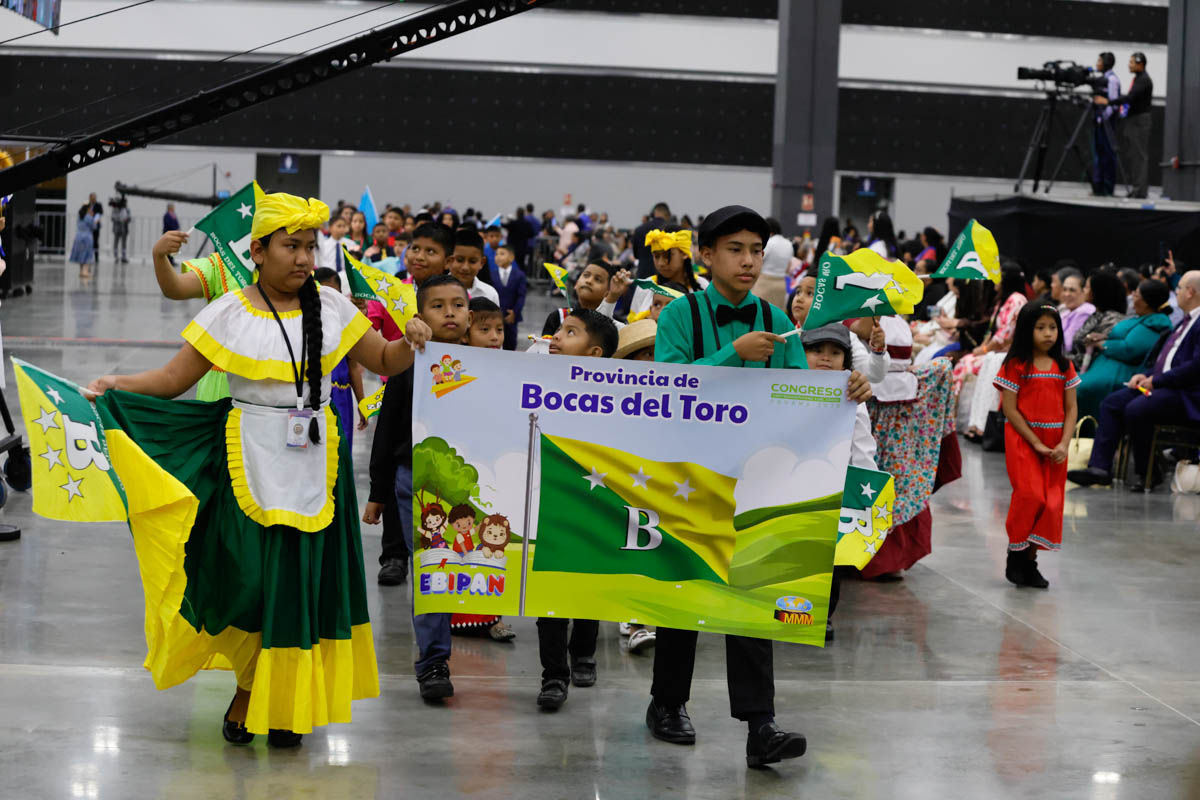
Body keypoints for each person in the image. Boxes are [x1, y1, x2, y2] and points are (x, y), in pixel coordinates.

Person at [85, 190, 430, 747]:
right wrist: (116, 385)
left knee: (300, 585)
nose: (302, 258)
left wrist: (409, 341)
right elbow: (174, 381)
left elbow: (384, 360)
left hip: (317, 468)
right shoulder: (227, 311)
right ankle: (250, 683)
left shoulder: (334, 307)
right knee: (246, 582)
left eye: (308, 246)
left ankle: (278, 702)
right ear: (258, 251)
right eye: (290, 246)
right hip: (244, 459)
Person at [649, 204, 872, 768]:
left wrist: (845, 391)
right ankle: (667, 703)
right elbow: (666, 391)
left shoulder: (776, 319)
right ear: (706, 256)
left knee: (752, 595)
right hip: (689, 477)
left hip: (757, 480)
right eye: (735, 250)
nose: (748, 261)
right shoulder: (681, 317)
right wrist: (732, 354)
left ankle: (760, 725)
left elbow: (802, 397)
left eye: (756, 250)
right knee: (684, 590)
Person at [366, 271, 472, 702]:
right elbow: (387, 427)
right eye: (438, 305)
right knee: (433, 568)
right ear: (419, 315)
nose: (450, 312)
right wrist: (378, 491)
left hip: (475, 483)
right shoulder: (409, 362)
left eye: (458, 304)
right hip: (417, 481)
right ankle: (432, 662)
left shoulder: (492, 362)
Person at [535, 308, 619, 710]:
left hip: (595, 503)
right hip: (550, 500)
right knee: (549, 588)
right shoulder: (535, 384)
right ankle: (553, 674)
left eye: (569, 333)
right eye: (556, 330)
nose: (555, 337)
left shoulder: (618, 397)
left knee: (589, 582)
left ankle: (584, 649)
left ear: (595, 354)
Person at [366, 222, 455, 589]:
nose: (419, 256)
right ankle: (395, 556)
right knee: (398, 458)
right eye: (415, 248)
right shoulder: (396, 293)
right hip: (401, 380)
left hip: (446, 389)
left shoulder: (467, 298)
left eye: (430, 251)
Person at [1070, 271, 1200, 491]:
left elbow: (1196, 367)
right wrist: (1146, 375)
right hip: (1160, 385)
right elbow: (1165, 358)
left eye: (1179, 289)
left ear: (1191, 292)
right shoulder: (1184, 322)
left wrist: (1158, 381)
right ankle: (1100, 468)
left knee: (1137, 408)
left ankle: (1148, 472)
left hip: (1183, 392)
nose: (1175, 293)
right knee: (1112, 403)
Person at [994, 303, 1079, 588]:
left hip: (1055, 445)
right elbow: (1010, 409)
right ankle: (1015, 555)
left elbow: (1071, 409)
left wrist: (1064, 443)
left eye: (1052, 328)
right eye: (1040, 327)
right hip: (1024, 441)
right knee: (1031, 496)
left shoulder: (1064, 366)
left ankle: (1030, 562)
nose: (1048, 334)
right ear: (1026, 331)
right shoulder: (1015, 365)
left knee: (1051, 504)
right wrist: (1035, 442)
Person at [1075, 279, 1172, 422]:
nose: (1132, 296)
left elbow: (1130, 350)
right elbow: (1125, 338)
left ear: (1145, 302)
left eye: (1137, 294)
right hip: (1103, 369)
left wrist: (1102, 344)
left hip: (1120, 375)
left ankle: (1084, 435)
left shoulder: (1156, 323)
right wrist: (1106, 337)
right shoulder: (1143, 318)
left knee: (1079, 389)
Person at [314, 267, 367, 445]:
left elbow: (353, 366)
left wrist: (362, 403)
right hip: (316, 398)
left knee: (341, 449)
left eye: (333, 295)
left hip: (341, 399)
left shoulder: (343, 324)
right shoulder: (302, 322)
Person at [1095, 52, 1153, 198]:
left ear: (1140, 64)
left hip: (1139, 121)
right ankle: (1137, 188)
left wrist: (1108, 102)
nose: (1129, 65)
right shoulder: (1139, 79)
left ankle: (1140, 191)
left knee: (1139, 156)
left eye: (1132, 62)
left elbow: (1130, 98)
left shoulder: (1144, 80)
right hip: (1134, 120)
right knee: (1134, 155)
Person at [627, 226, 707, 321]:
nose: (661, 263)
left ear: (684, 254)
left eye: (667, 256)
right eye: (656, 256)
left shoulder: (702, 286)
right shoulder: (645, 286)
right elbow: (632, 326)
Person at [540, 260, 631, 336]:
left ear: (608, 292)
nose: (589, 281)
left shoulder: (615, 325)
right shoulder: (558, 317)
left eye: (598, 279)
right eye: (586, 275)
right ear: (576, 284)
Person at [1068, 270, 1128, 371]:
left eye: (1087, 287)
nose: (1083, 291)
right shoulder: (1097, 314)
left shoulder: (1112, 320)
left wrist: (1060, 361)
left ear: (1098, 292)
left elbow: (1094, 356)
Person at [1091, 52, 1122, 196]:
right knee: (1098, 155)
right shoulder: (1102, 79)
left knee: (1108, 155)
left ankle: (1107, 188)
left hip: (1108, 123)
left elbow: (1113, 104)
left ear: (1105, 63)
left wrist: (1103, 118)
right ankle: (1098, 187)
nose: (1096, 63)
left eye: (1099, 61)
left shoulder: (1112, 80)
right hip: (1100, 122)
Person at [448, 228, 500, 305]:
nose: (465, 267)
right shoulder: (436, 291)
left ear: (482, 263)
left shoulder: (490, 294)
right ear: (449, 260)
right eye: (459, 260)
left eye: (472, 261)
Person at [491, 242, 527, 351]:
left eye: (502, 254)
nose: (498, 257)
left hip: (511, 316)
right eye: (496, 254)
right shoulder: (492, 275)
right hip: (495, 314)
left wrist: (515, 312)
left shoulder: (519, 275)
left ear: (511, 257)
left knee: (510, 342)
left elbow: (521, 295)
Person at [755, 217, 790, 308]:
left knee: (759, 311)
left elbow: (758, 260)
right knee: (776, 316)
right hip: (782, 283)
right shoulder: (788, 243)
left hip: (765, 282)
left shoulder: (769, 243)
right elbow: (788, 266)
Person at [1058, 269, 1095, 351]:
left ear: (1083, 291)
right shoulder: (1064, 310)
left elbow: (1068, 344)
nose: (1067, 294)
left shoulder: (1086, 311)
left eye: (1072, 290)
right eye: (1064, 289)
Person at [633, 202, 672, 278]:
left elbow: (636, 255)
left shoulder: (639, 229)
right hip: (663, 276)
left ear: (654, 213)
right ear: (667, 214)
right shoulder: (670, 230)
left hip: (643, 275)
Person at [70, 204, 98, 279]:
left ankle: (81, 271)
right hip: (87, 236)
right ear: (88, 209)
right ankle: (85, 271)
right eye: (91, 209)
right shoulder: (89, 217)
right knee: (86, 254)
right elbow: (94, 227)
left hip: (78, 236)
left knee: (80, 253)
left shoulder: (79, 216)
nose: (92, 211)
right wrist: (93, 218)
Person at [110, 198, 131, 264]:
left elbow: (129, 218)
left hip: (124, 228)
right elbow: (113, 217)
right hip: (117, 228)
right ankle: (116, 256)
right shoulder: (115, 209)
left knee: (124, 243)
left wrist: (125, 219)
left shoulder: (127, 209)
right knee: (116, 242)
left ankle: (123, 256)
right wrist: (119, 219)